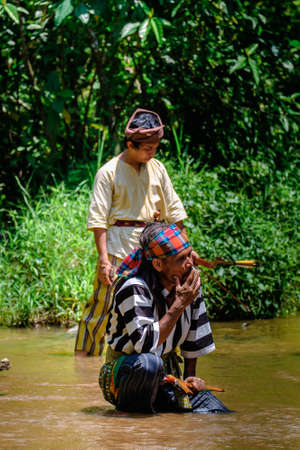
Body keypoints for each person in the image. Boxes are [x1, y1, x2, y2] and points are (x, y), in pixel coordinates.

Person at [75, 108, 189, 356]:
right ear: (130, 144)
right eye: (147, 148)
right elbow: (98, 220)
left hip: (154, 251)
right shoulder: (108, 172)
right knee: (102, 306)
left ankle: (153, 357)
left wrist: (186, 254)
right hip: (118, 247)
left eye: (155, 147)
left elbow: (175, 213)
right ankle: (83, 359)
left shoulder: (158, 168)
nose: (152, 152)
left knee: (154, 304)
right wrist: (104, 260)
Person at [99, 222, 230, 414]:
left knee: (217, 412)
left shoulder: (190, 287)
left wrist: (190, 380)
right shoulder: (134, 287)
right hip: (127, 376)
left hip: (166, 378)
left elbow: (193, 344)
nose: (190, 263)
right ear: (158, 264)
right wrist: (178, 306)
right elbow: (145, 346)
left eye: (189, 255)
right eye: (181, 259)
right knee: (149, 364)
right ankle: (134, 419)